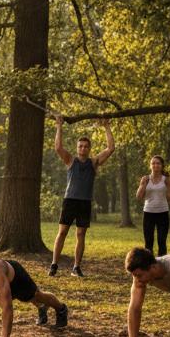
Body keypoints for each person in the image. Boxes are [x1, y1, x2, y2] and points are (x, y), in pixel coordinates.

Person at [49, 116, 114, 277]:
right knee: (62, 232)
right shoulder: (71, 160)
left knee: (80, 234)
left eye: (86, 146)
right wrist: (59, 125)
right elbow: (58, 147)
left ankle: (76, 267)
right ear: (77, 148)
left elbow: (110, 148)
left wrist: (106, 126)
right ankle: (54, 265)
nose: (83, 148)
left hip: (85, 203)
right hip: (70, 200)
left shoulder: (94, 162)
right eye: (80, 146)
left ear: (89, 148)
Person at [136, 155, 170, 256]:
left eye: (158, 163)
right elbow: (138, 197)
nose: (155, 165)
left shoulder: (166, 180)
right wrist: (144, 185)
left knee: (161, 241)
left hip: (163, 213)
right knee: (148, 241)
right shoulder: (145, 179)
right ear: (150, 166)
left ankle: (162, 264)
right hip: (148, 213)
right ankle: (149, 265)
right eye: (153, 163)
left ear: (162, 165)